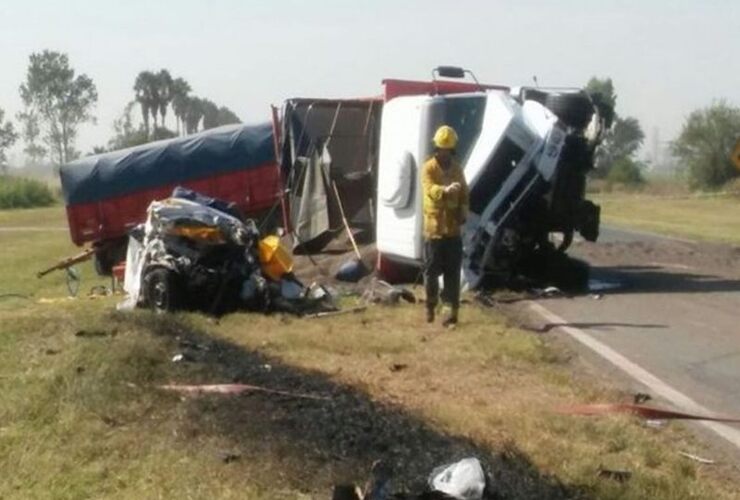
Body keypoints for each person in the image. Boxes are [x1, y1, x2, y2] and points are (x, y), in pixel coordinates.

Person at [422, 125, 469, 326]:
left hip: (453, 230)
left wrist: (464, 211)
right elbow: (430, 188)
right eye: (441, 148)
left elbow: (465, 193)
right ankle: (431, 304)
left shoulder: (458, 169)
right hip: (434, 231)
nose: (444, 153)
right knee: (431, 273)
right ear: (436, 148)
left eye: (447, 149)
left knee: (452, 273)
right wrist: (445, 190)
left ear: (452, 150)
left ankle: (451, 314)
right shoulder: (429, 168)